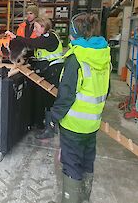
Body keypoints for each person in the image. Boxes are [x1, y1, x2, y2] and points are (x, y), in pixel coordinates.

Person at [50, 13, 111, 202]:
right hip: (92, 124)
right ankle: (84, 198)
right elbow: (107, 90)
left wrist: (53, 116)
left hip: (73, 125)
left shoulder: (76, 59)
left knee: (71, 165)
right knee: (86, 162)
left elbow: (66, 95)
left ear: (74, 34)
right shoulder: (104, 55)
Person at [7, 17, 64, 138]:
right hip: (48, 70)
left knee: (49, 98)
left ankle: (50, 128)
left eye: (36, 27)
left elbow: (33, 43)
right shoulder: (44, 38)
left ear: (43, 27)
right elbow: (35, 50)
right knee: (44, 98)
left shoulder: (50, 37)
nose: (34, 29)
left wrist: (16, 38)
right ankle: (45, 124)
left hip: (53, 70)